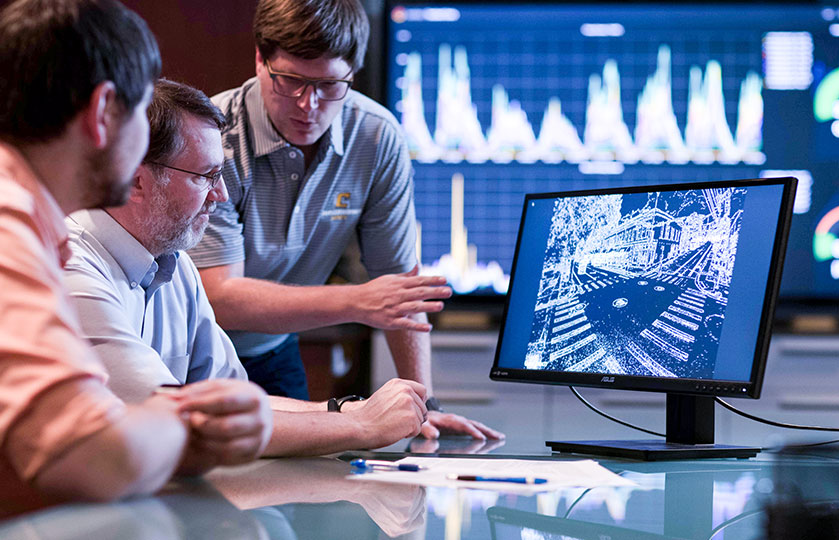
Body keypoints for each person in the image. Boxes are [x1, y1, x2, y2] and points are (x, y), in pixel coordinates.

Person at [0, 0, 271, 513]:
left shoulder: (34, 223)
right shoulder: (7, 218)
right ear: (104, 113)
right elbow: (88, 457)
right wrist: (189, 422)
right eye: (141, 114)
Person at [187, 0, 502, 440]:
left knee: (295, 494)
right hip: (193, 355)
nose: (308, 104)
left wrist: (423, 406)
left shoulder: (376, 136)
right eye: (290, 80)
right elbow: (218, 298)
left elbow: (398, 285)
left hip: (275, 350)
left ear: (352, 73)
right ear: (259, 60)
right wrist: (358, 302)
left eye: (330, 85)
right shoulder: (214, 138)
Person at [64, 78, 430, 456]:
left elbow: (238, 402)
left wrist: (346, 409)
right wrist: (362, 426)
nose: (220, 195)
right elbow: (180, 424)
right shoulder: (71, 272)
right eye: (206, 176)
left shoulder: (175, 266)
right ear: (137, 181)